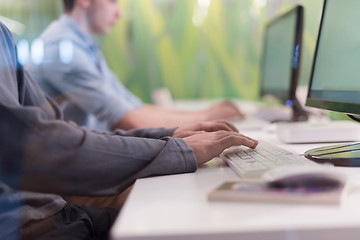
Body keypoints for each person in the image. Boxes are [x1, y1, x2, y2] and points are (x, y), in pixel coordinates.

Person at [0, 22, 257, 239]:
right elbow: (36, 148)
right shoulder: (61, 46)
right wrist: (179, 146)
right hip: (34, 218)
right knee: (185, 207)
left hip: (55, 200)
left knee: (182, 197)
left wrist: (169, 136)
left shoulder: (8, 35)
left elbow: (61, 130)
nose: (118, 11)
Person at [26, 0, 245, 132]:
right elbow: (129, 121)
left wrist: (206, 114)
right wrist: (206, 120)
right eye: (113, 1)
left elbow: (133, 107)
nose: (119, 13)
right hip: (62, 179)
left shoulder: (85, 46)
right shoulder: (63, 49)